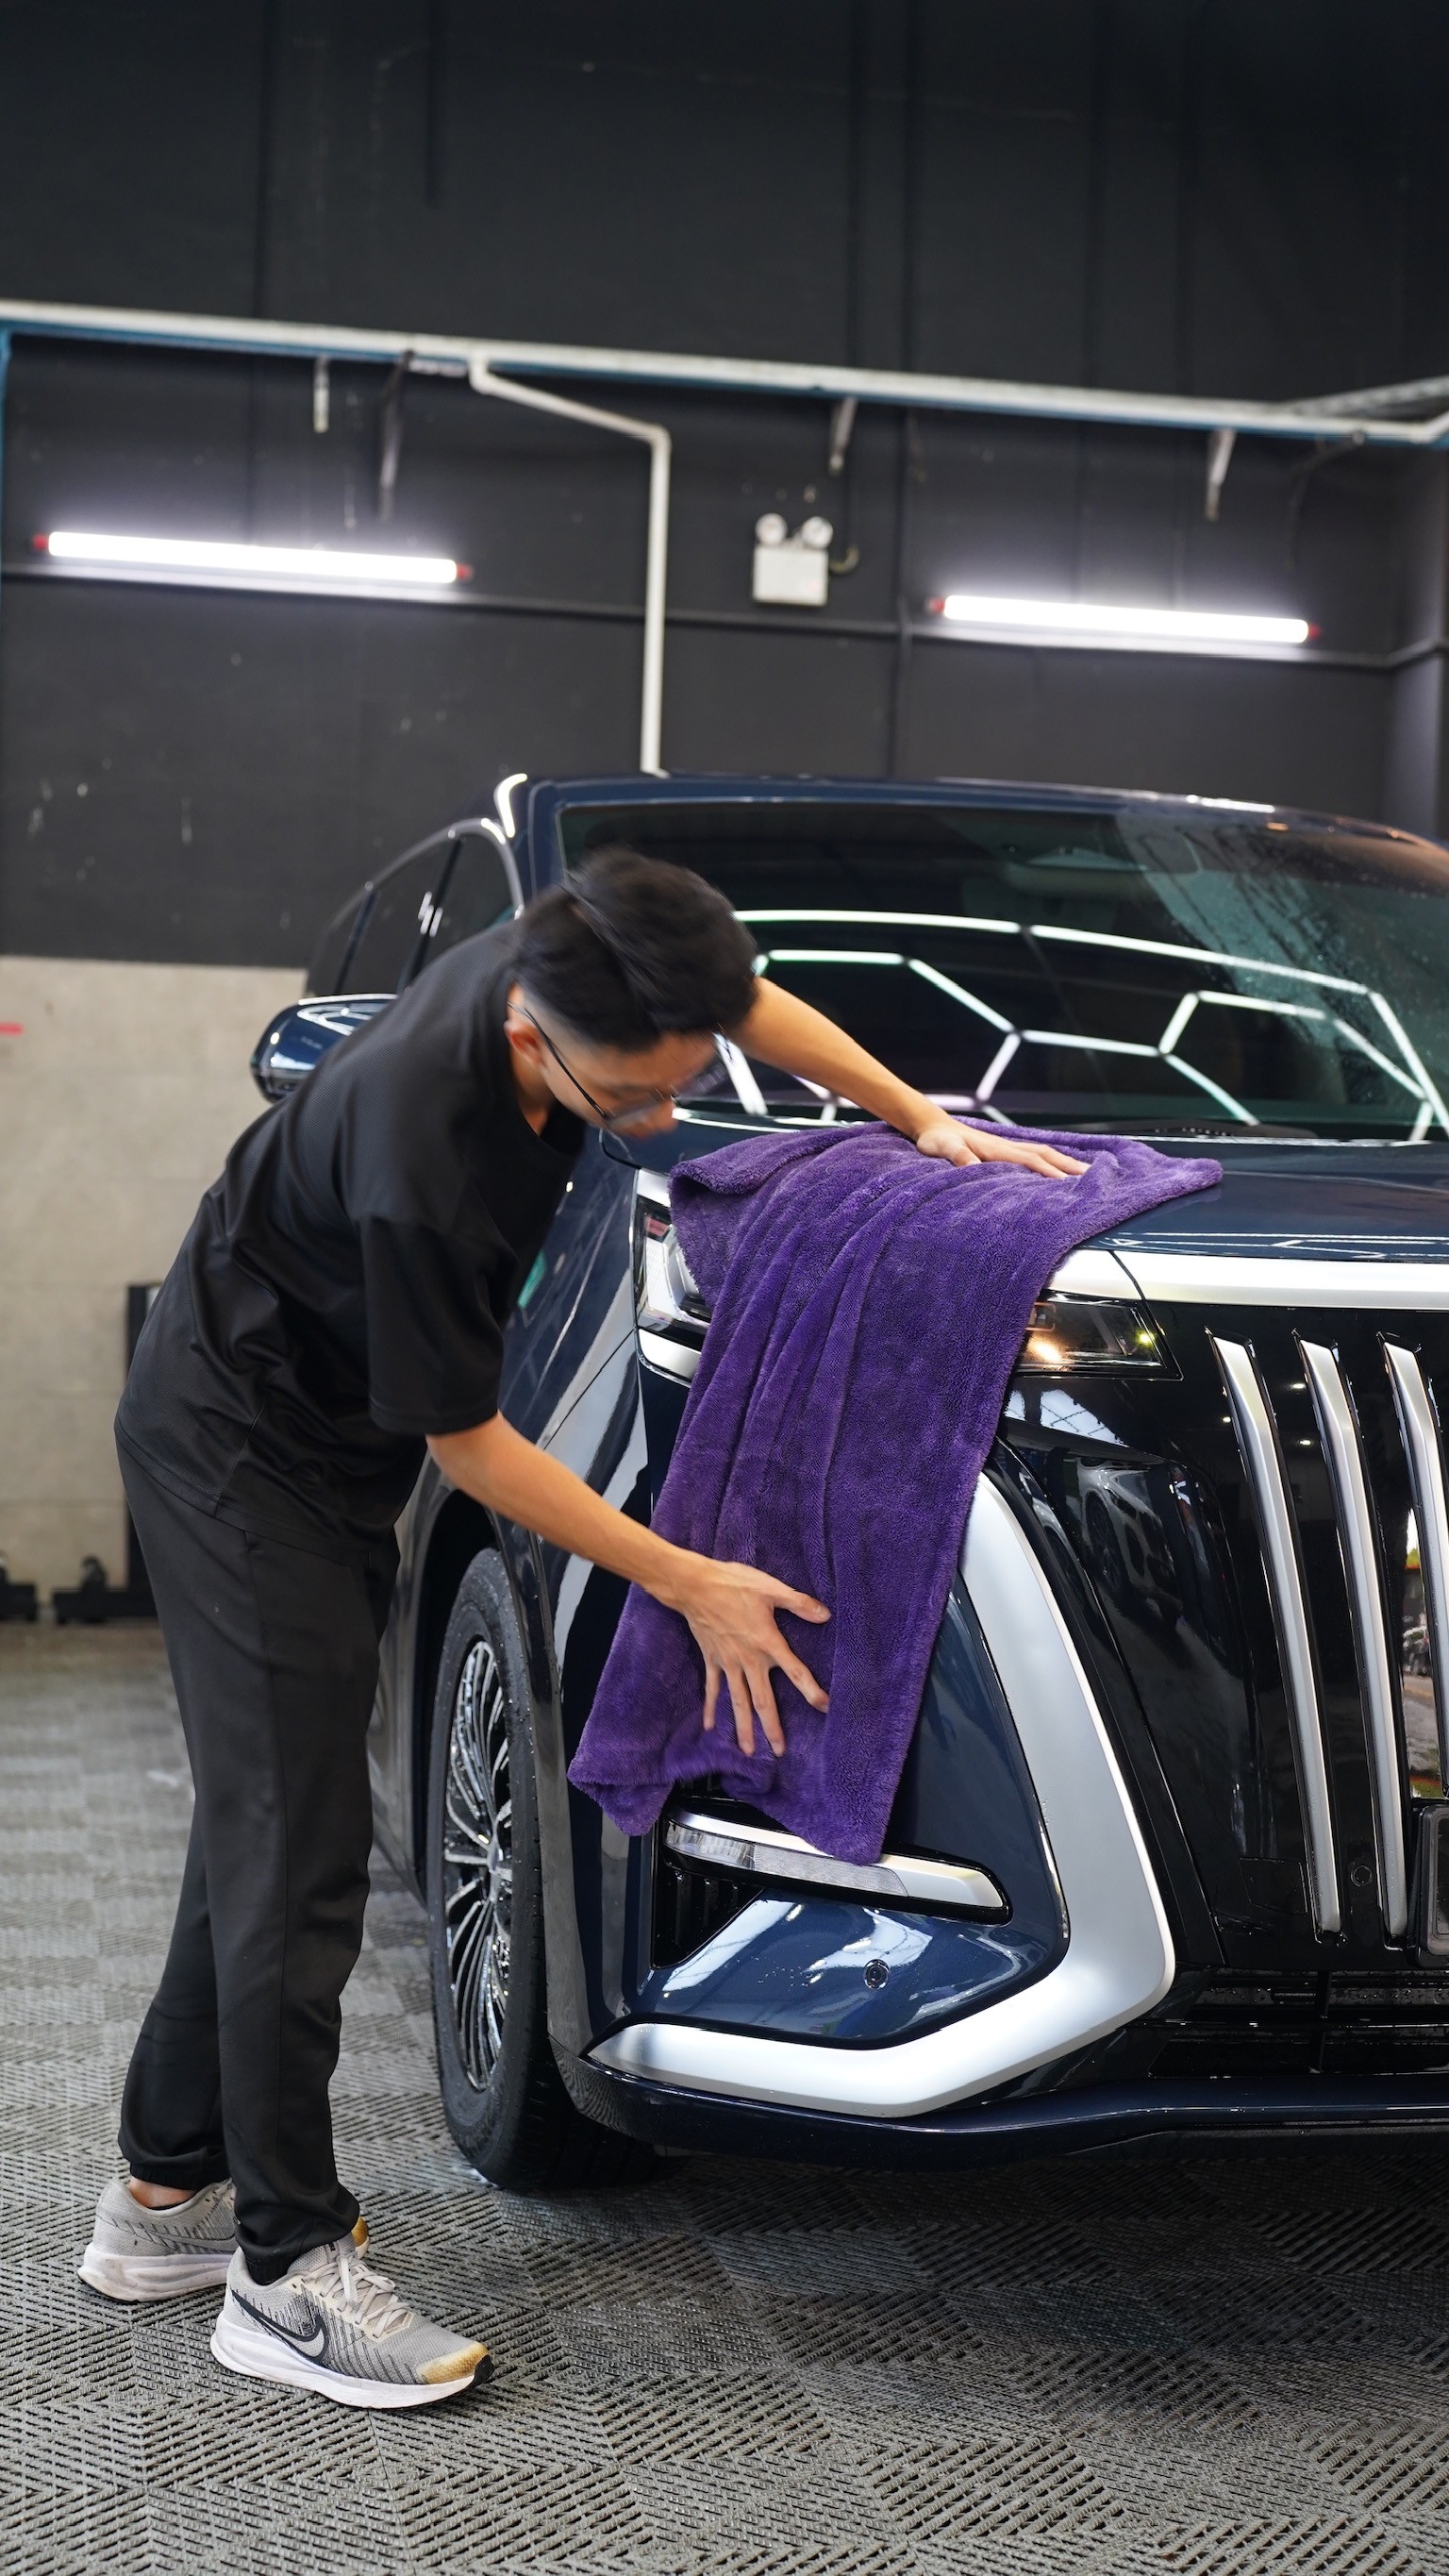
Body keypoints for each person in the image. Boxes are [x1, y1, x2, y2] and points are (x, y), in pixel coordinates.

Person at [78, 845, 1084, 2408]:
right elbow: (476, 1449)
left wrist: (920, 1118)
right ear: (531, 1036)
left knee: (268, 1814)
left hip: (327, 1428)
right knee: (304, 1851)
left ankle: (164, 2193)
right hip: (241, 1444)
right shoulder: (422, 1138)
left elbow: (754, 1003)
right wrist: (687, 1575)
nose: (667, 1119)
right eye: (635, 1098)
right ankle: (281, 2269)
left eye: (685, 1080)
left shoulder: (601, 951)